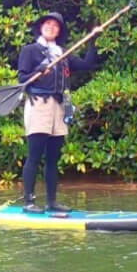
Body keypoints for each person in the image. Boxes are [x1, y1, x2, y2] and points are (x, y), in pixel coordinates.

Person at [16, 11, 100, 213]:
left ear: (59, 31)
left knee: (53, 157)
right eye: (47, 23)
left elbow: (88, 64)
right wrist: (38, 71)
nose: (51, 27)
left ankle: (51, 202)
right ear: (41, 27)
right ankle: (29, 202)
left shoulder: (63, 53)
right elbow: (22, 79)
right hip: (39, 104)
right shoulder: (30, 50)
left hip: (59, 106)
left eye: (55, 25)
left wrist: (93, 40)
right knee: (35, 154)